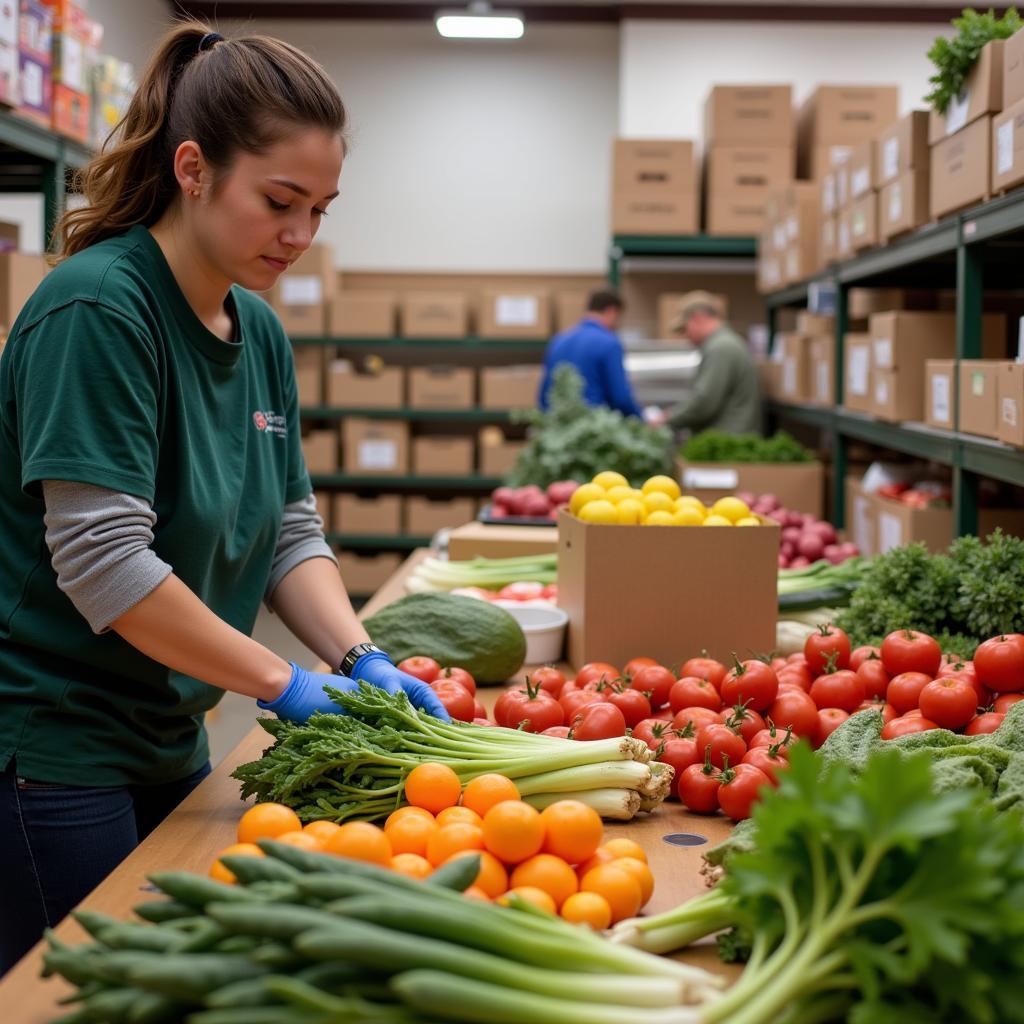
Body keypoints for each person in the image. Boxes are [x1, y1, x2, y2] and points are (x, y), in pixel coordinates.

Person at [0, 22, 448, 975]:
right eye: (279, 202)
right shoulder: (98, 310)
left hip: (171, 727)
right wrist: (280, 682)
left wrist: (357, 654)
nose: (300, 236)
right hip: (54, 743)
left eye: (320, 210)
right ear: (194, 168)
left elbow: (288, 528)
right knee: (87, 991)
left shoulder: (257, 327)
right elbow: (106, 563)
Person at [661, 291, 763, 434]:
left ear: (698, 318)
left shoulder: (721, 348)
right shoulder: (723, 343)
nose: (686, 336)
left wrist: (668, 419)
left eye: (685, 328)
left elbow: (705, 402)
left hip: (727, 444)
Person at [537, 287, 643, 417]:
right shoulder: (609, 343)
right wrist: (641, 419)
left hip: (558, 427)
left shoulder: (558, 341)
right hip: (592, 428)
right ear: (612, 312)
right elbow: (620, 398)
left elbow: (544, 396)